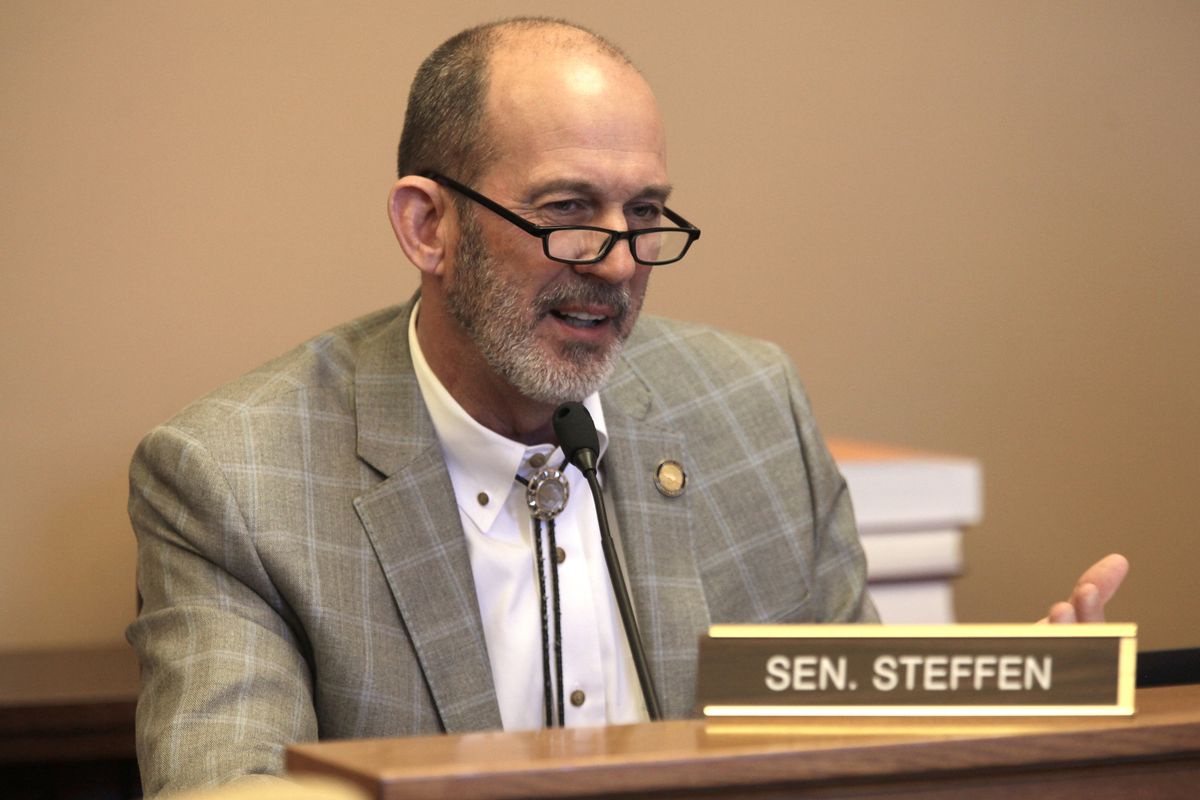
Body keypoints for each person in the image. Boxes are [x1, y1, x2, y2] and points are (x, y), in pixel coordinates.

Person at [126, 17, 1128, 796]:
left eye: (644, 214)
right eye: (566, 211)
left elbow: (841, 723)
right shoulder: (234, 476)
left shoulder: (749, 409)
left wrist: (1019, 700)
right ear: (429, 225)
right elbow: (224, 782)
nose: (615, 261)